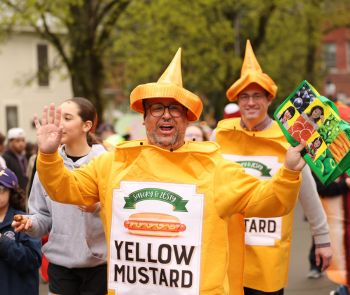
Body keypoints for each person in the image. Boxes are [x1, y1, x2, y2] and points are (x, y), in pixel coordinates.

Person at [30, 48, 305, 295]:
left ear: (186, 119)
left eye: (175, 109)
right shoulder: (112, 164)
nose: (166, 115)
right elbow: (64, 188)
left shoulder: (214, 168)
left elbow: (269, 201)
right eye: (157, 108)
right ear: (145, 117)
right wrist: (49, 154)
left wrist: (289, 172)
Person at [213, 40, 332, 295]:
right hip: (226, 254)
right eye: (244, 96)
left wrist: (322, 240)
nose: (251, 102)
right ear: (237, 101)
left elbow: (308, 192)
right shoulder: (219, 136)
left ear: (269, 99)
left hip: (267, 254)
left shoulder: (289, 138)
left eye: (257, 95)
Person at [13, 97, 108, 295]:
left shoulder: (106, 162)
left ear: (87, 125)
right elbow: (42, 217)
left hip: (101, 266)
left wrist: (99, 206)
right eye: (58, 118)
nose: (60, 124)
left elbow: (123, 212)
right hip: (61, 266)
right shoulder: (47, 165)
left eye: (67, 118)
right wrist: (30, 224)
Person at [0, 167, 41, 295]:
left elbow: (33, 260)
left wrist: (2, 242)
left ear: (11, 192)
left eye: (2, 190)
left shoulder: (23, 221)